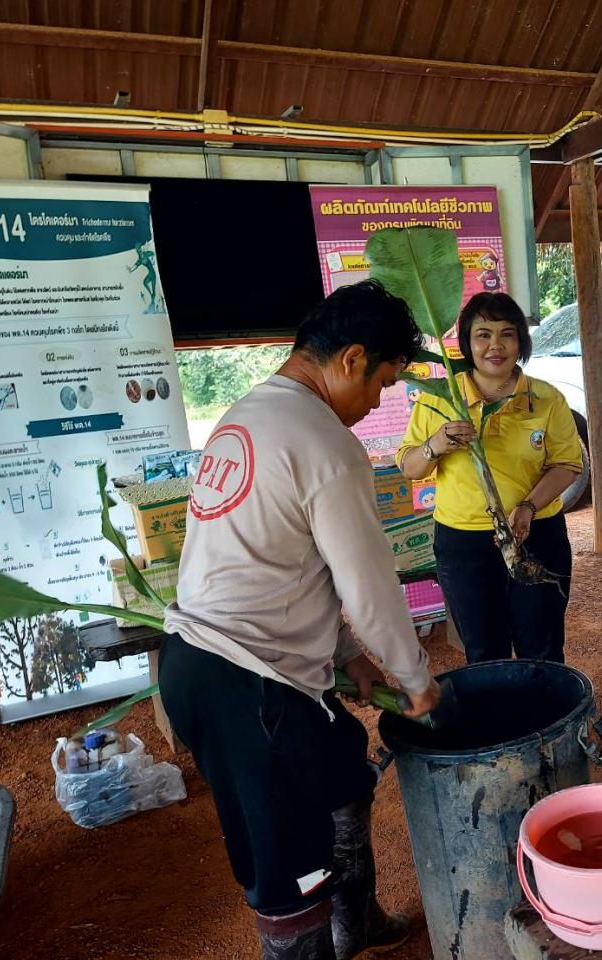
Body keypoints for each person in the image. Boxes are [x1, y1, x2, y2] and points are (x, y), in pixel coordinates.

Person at [160, 280, 442, 960]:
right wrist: (415, 679)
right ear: (351, 359)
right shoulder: (325, 442)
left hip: (196, 665)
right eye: (381, 384)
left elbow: (290, 564)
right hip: (249, 686)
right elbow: (368, 584)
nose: (374, 404)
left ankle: (358, 922)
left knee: (343, 765)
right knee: (288, 875)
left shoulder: (248, 414)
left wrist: (347, 653)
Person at [397, 292, 583, 663]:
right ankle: (497, 704)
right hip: (463, 544)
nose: (495, 345)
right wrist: (436, 443)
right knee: (484, 651)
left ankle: (545, 703)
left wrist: (528, 506)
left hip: (536, 534)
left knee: (543, 648)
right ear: (467, 342)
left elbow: (567, 464)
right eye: (483, 335)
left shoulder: (546, 398)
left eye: (507, 334)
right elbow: (410, 466)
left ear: (521, 342)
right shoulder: (439, 398)